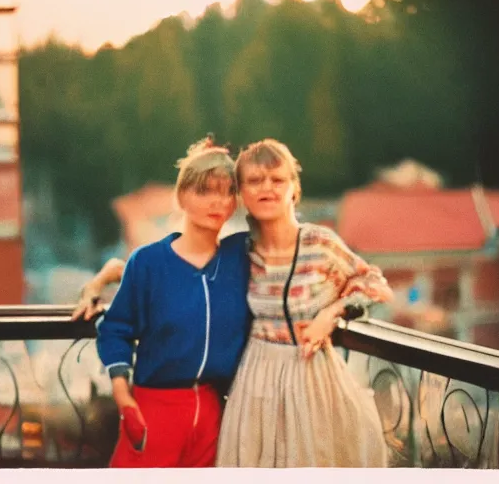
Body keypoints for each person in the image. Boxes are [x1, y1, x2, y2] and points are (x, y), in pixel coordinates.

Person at [215, 138, 394, 468]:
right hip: (257, 379)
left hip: (312, 378)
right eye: (255, 180)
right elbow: (184, 266)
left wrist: (332, 313)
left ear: (294, 189)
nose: (267, 187)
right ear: (241, 193)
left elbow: (373, 284)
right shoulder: (239, 251)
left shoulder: (319, 242)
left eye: (277, 179)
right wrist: (104, 280)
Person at [80, 137, 252, 468]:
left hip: (215, 413)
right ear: (182, 195)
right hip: (153, 407)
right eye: (204, 191)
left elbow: (291, 248)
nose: (217, 201)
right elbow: (116, 327)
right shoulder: (148, 261)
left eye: (227, 191)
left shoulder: (240, 257)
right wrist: (121, 392)